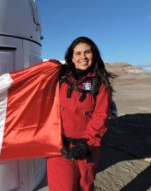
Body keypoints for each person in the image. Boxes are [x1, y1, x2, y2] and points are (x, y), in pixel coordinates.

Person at [47, 36, 116, 191]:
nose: (83, 57)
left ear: (94, 54)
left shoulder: (99, 83)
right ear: (71, 57)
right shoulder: (60, 77)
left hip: (87, 148)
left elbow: (101, 115)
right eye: (78, 53)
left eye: (87, 52)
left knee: (85, 186)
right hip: (59, 147)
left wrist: (87, 144)